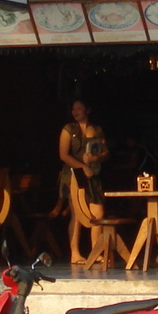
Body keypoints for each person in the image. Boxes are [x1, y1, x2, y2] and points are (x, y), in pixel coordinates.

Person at [58, 100, 109, 262]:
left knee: (98, 212)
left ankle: (96, 251)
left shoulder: (97, 129)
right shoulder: (68, 129)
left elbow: (106, 152)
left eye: (79, 108)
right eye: (73, 108)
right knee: (78, 214)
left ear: (88, 109)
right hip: (74, 175)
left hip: (92, 174)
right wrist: (82, 167)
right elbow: (64, 155)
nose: (75, 111)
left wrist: (96, 157)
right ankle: (75, 253)